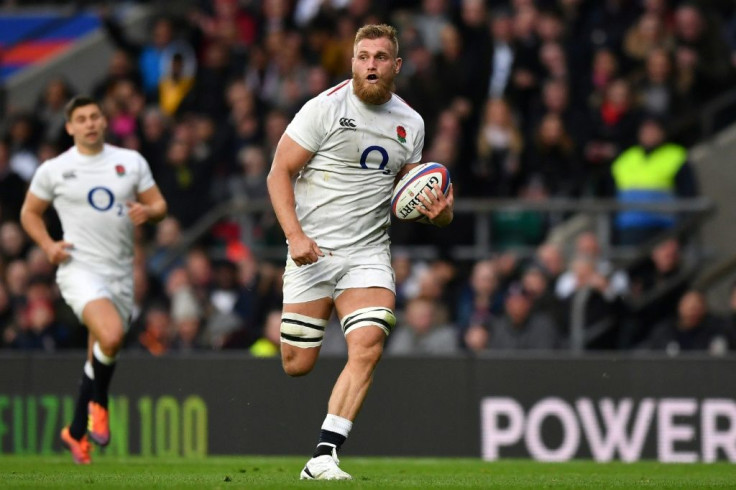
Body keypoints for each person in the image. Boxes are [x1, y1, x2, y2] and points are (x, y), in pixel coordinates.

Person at [266, 24, 453, 481]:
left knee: (368, 345)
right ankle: (322, 448)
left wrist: (441, 213)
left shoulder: (411, 123)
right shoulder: (324, 109)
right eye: (363, 56)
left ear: (396, 65)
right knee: (297, 364)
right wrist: (294, 237)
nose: (371, 65)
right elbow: (278, 173)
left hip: (368, 253)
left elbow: (414, 196)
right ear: (352, 61)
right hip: (311, 251)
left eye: (380, 57)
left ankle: (324, 454)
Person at [20, 96, 167, 464]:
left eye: (95, 116)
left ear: (104, 121)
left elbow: (161, 207)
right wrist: (48, 245)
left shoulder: (129, 162)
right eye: (81, 119)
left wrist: (149, 211)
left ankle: (73, 430)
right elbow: (29, 213)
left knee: (105, 348)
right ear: (69, 127)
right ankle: (99, 403)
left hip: (120, 272)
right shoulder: (54, 169)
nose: (89, 123)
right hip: (78, 268)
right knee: (112, 334)